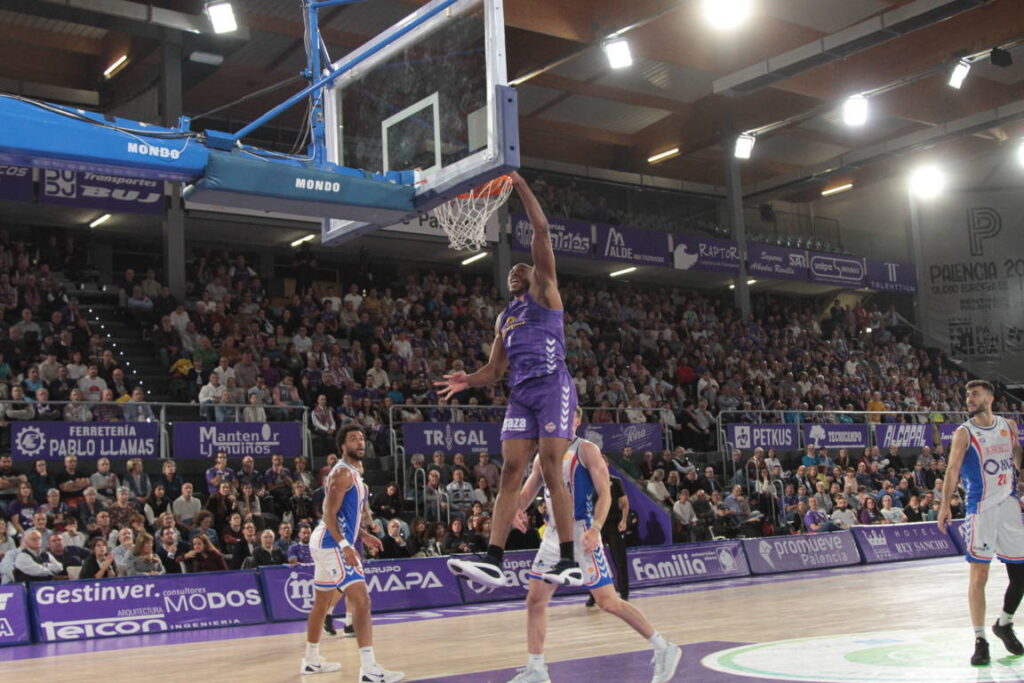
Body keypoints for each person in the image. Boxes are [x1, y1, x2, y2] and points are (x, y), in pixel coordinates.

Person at [437, 173, 582, 589]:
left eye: (521, 269)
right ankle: (494, 558)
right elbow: (494, 371)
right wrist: (468, 380)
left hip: (553, 385)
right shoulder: (505, 317)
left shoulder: (547, 292)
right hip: (520, 394)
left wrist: (517, 182)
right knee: (510, 472)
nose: (514, 273)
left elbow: (540, 229)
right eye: (511, 273)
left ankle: (569, 559)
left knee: (552, 468)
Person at [507, 408, 681, 683]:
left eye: (570, 417)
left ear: (577, 421)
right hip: (553, 534)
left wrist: (597, 528)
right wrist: (515, 508)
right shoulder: (544, 454)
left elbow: (605, 495)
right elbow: (528, 491)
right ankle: (537, 668)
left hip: (582, 531)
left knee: (608, 602)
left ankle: (664, 647)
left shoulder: (586, 450)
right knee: (535, 600)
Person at [302, 425, 402, 681]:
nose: (360, 442)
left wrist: (362, 535)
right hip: (331, 541)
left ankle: (311, 661)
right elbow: (328, 514)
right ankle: (369, 671)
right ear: (342, 446)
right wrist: (346, 546)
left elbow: (347, 518)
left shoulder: (354, 474)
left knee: (323, 603)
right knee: (362, 601)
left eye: (362, 438)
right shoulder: (343, 473)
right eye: (353, 438)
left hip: (328, 540)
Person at [938, 379, 1024, 666]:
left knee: (1021, 575)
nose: (969, 398)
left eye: (974, 394)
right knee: (979, 576)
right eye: (966, 395)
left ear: (990, 397)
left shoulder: (1008, 426)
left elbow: (1017, 457)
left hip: (1010, 507)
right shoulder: (965, 433)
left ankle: (1004, 624)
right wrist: (944, 505)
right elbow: (952, 470)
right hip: (981, 509)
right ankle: (980, 640)